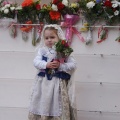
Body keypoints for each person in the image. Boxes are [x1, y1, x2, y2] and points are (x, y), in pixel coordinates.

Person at [28, 24, 77, 120]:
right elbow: (36, 62)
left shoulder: (63, 51)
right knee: (43, 100)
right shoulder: (42, 51)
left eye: (52, 37)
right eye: (46, 38)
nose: (49, 40)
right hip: (43, 83)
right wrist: (46, 64)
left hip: (58, 83)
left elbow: (73, 64)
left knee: (57, 101)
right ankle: (42, 116)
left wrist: (61, 66)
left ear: (59, 37)